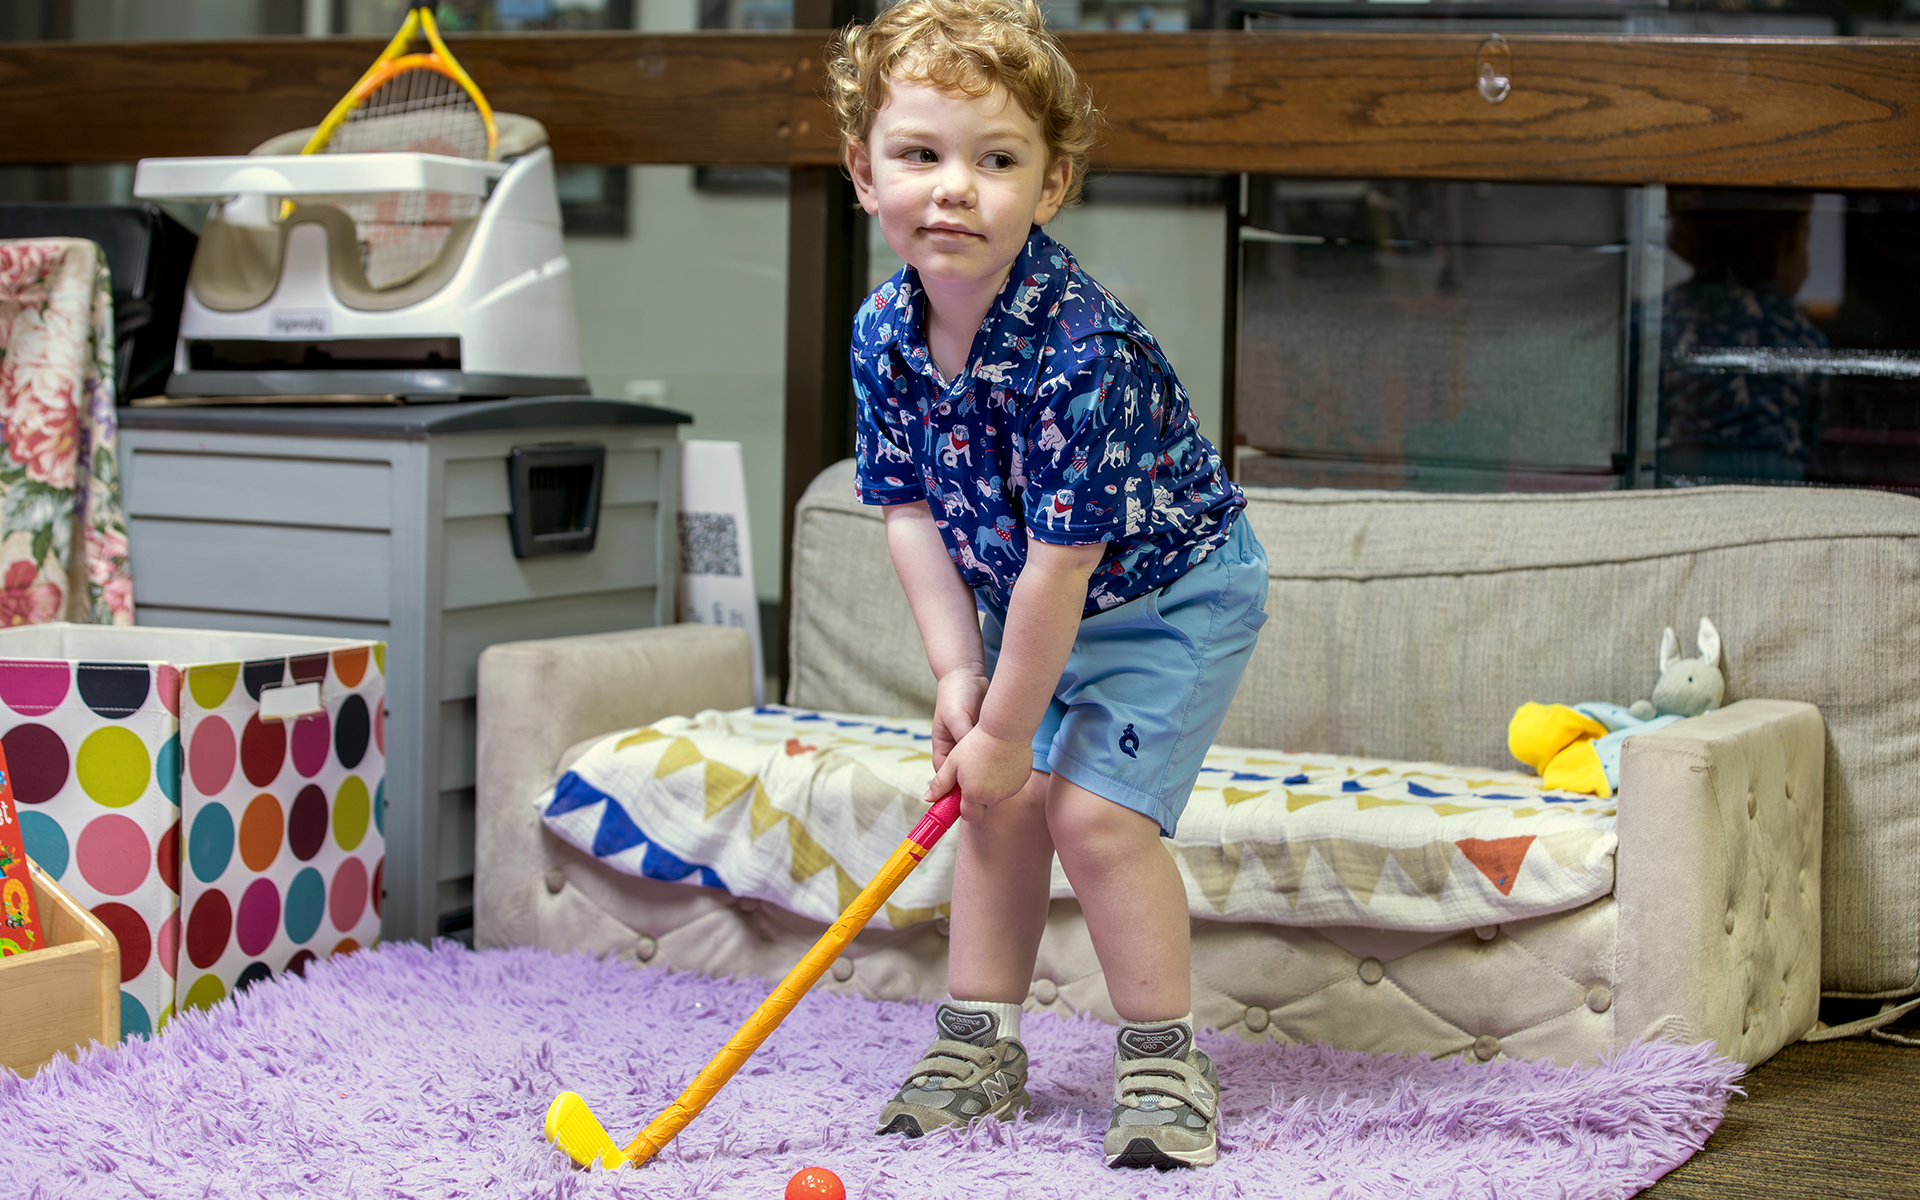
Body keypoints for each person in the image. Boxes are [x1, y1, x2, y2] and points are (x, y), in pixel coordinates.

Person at [826, 0, 1266, 1170]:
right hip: (1023, 603)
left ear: (1051, 183)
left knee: (1091, 815)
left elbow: (1065, 564)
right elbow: (910, 513)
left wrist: (1010, 730)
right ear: (865, 173)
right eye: (920, 154)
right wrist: (958, 678)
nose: (954, 188)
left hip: (1170, 599)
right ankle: (980, 1045)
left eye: (997, 160)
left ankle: (1163, 1060)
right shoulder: (882, 334)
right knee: (996, 801)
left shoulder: (1081, 355)